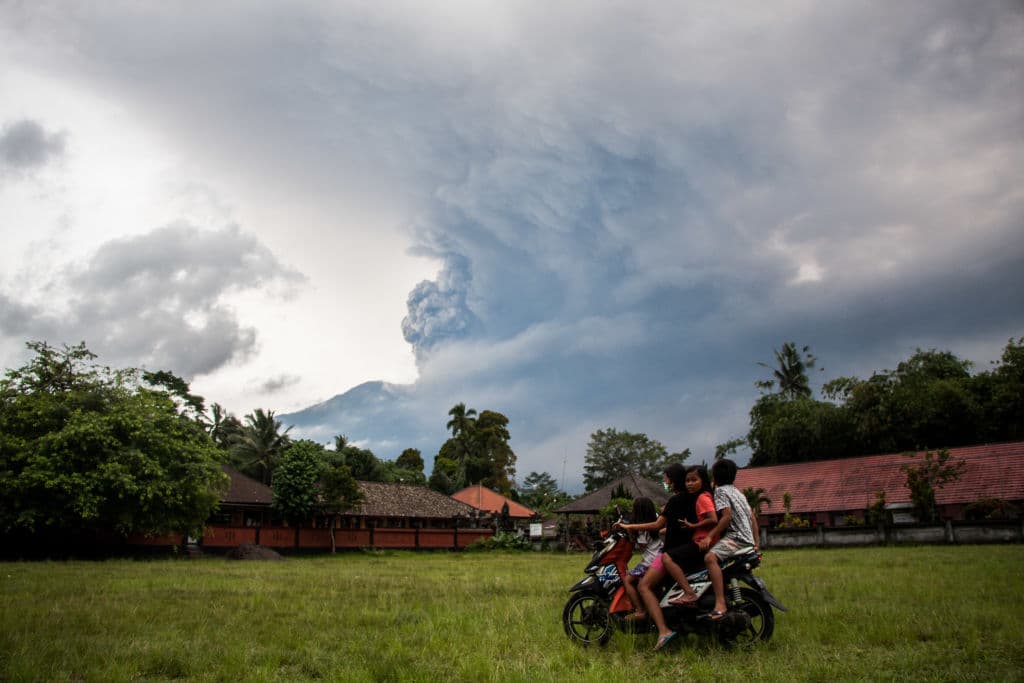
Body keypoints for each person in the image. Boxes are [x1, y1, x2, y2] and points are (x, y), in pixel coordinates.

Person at [614, 463, 689, 651]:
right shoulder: (688, 499)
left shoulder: (673, 503)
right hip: (672, 552)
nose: (664, 483)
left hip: (658, 558)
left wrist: (628, 527)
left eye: (665, 480)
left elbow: (656, 526)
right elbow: (663, 527)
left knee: (637, 583)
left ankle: (655, 623)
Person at [698, 458, 760, 621]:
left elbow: (725, 517)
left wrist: (709, 536)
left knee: (710, 558)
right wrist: (756, 543)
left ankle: (720, 603)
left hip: (736, 537)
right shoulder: (737, 492)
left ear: (715, 477)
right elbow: (752, 517)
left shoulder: (720, 492)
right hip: (747, 540)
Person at [662, 465, 718, 606]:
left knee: (666, 558)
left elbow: (713, 519)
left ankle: (689, 593)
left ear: (703, 480)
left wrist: (694, 526)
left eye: (694, 480)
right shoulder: (699, 497)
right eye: (687, 481)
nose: (690, 484)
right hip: (701, 540)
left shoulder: (702, 498)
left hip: (701, 541)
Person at [620, 497, 662, 623]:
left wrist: (631, 535)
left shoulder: (642, 529)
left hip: (649, 561)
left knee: (627, 580)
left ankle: (640, 610)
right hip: (658, 555)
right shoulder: (654, 520)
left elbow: (641, 546)